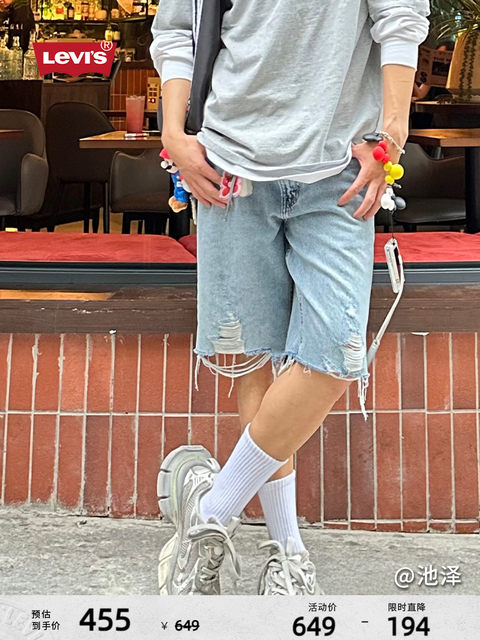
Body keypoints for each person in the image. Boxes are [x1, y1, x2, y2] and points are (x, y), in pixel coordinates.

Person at [150, 0, 430, 596]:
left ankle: (210, 511)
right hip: (228, 166)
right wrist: (175, 133)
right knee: (257, 353)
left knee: (334, 355)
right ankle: (288, 553)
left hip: (341, 169)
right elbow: (176, 33)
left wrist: (393, 132)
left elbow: (401, 18)